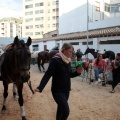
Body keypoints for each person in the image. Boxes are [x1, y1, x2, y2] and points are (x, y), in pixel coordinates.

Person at [34, 43, 83, 120]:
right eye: (70, 51)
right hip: (57, 91)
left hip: (66, 90)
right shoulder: (55, 60)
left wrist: (77, 72)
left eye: (72, 52)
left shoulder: (68, 60)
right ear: (64, 50)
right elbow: (48, 74)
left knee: (60, 110)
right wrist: (40, 87)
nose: (71, 54)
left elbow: (69, 74)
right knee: (66, 111)